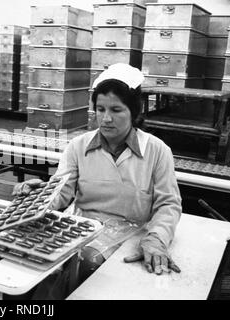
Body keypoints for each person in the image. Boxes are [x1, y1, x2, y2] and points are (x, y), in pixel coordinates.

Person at [13, 63, 182, 299]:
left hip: (129, 236)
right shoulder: (78, 146)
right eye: (100, 109)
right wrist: (37, 197)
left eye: (116, 110)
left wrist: (156, 239)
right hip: (79, 229)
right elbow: (61, 192)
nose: (106, 118)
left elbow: (168, 205)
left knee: (86, 266)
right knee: (28, 260)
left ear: (134, 112)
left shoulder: (157, 151)